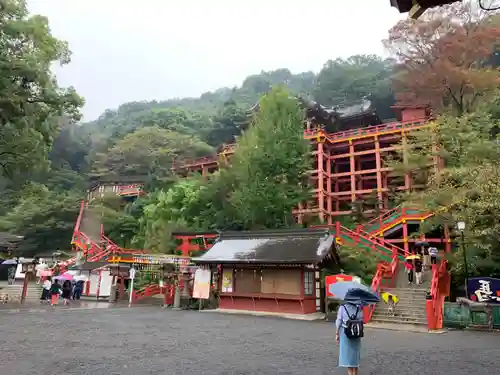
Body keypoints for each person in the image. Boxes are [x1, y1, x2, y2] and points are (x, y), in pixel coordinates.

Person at [336, 302, 363, 375]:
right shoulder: (359, 308)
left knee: (349, 359)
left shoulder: (342, 307)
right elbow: (362, 320)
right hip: (356, 334)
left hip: (346, 333)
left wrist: (337, 333)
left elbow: (339, 321)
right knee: (355, 358)